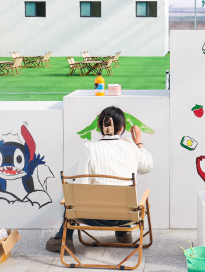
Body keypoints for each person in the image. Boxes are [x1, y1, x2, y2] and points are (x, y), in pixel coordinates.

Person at [45, 106, 153, 252]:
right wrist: (138, 142)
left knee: (72, 193)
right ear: (122, 129)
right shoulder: (131, 148)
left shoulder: (89, 148)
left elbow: (82, 187)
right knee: (121, 189)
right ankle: (124, 232)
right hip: (125, 217)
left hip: (92, 216)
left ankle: (64, 239)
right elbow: (147, 166)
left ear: (99, 126)